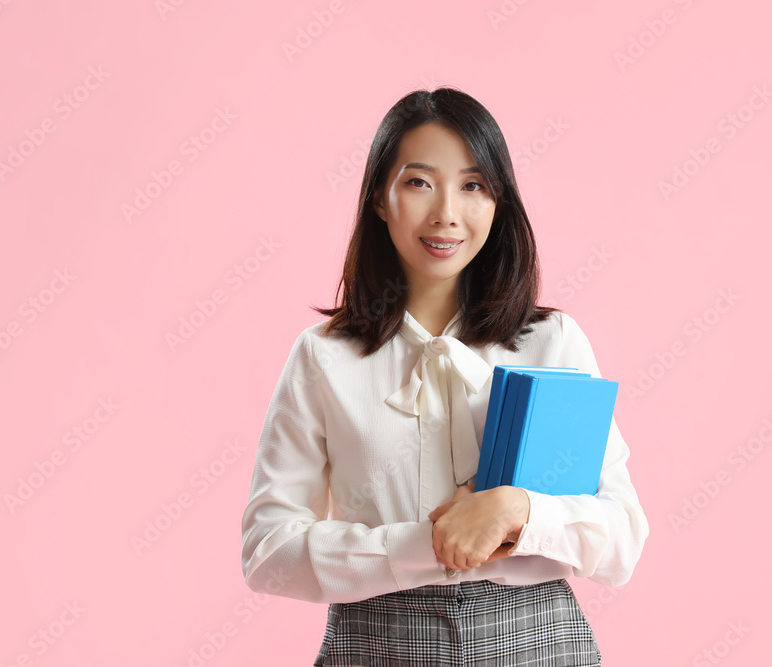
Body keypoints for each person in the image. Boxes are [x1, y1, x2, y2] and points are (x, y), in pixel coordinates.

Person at [240, 86, 650, 666]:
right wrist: (423, 547)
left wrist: (515, 510)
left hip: (541, 646)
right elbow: (267, 551)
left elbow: (621, 539)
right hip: (378, 647)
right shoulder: (322, 357)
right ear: (379, 199)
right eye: (418, 182)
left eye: (474, 185)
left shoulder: (551, 342)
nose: (446, 214)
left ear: (498, 202)